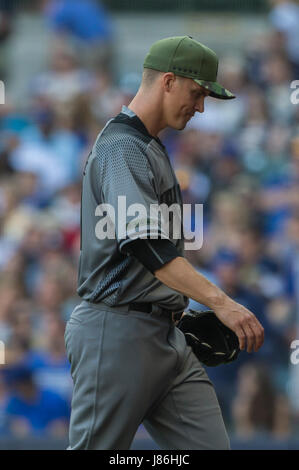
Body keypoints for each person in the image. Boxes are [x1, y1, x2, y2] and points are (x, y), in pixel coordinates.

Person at [65, 36, 264, 450]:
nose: (201, 106)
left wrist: (178, 309)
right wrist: (220, 302)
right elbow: (149, 247)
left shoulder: (149, 146)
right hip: (116, 328)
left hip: (165, 332)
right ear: (168, 81)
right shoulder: (124, 147)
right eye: (197, 93)